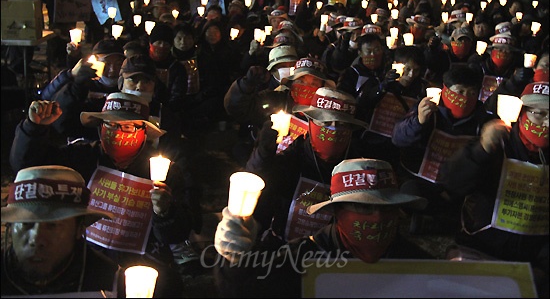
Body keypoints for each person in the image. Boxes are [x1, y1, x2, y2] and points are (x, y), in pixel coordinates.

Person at [9, 92, 203, 297]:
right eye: (110, 124)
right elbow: (27, 167)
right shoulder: (81, 157)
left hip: (142, 264)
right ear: (100, 127)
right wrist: (34, 128)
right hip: (84, 259)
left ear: (144, 132)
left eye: (128, 127)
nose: (118, 132)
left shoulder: (163, 172)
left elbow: (177, 233)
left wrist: (165, 212)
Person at [213, 158, 427, 297]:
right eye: (362, 207)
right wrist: (235, 260)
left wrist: (457, 274)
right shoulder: (302, 258)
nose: (377, 217)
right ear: (337, 212)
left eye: (387, 208)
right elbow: (245, 291)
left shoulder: (417, 263)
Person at [439, 81, 549, 298]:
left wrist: (544, 266)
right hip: (479, 250)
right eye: (541, 114)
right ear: (522, 113)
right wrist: (481, 151)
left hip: (532, 262)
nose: (547, 123)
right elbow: (452, 182)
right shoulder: (497, 144)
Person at [244, 87, 369, 244]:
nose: (334, 130)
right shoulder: (292, 158)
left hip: (329, 257)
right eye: (325, 122)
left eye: (342, 124)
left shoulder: (359, 170)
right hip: (283, 247)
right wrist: (262, 154)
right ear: (310, 123)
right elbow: (256, 182)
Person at [392, 66, 497, 234]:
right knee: (411, 192)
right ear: (446, 90)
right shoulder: (427, 108)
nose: (464, 98)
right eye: (460, 91)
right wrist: (418, 122)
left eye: (471, 93)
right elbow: (398, 138)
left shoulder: (484, 122)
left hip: (457, 190)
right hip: (420, 182)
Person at [1, 165, 122, 296]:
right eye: (26, 224)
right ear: (11, 227)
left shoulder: (110, 281)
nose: (36, 239)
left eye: (52, 226)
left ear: (79, 229)